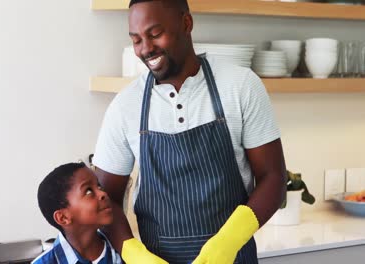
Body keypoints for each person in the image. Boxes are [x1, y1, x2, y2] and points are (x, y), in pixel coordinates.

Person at [93, 0, 287, 263]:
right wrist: (134, 252)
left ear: (186, 23)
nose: (145, 49)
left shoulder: (240, 86)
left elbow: (273, 179)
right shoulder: (125, 106)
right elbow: (105, 202)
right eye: (136, 39)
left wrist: (227, 242)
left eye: (155, 34)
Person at [33, 162, 122, 264]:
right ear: (63, 218)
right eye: (88, 191)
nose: (103, 193)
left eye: (99, 186)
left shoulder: (121, 249)